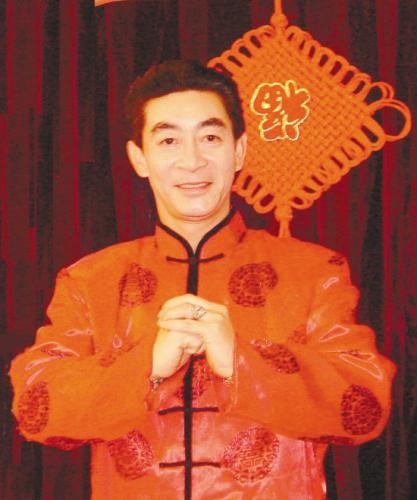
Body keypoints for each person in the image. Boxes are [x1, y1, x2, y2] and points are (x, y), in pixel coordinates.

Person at [10, 60, 396, 500]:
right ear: (139, 158)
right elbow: (36, 408)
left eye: (210, 138)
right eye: (169, 140)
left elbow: (364, 406)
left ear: (239, 151)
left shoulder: (313, 271)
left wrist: (240, 361)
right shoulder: (90, 280)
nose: (192, 161)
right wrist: (147, 366)